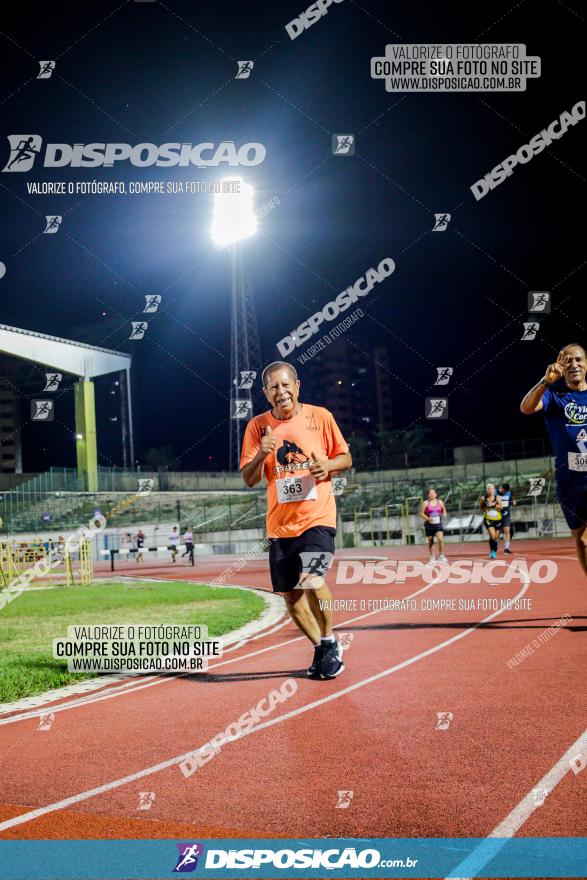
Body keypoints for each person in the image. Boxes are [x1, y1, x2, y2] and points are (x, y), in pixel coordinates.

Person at [240, 361, 352, 680]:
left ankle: (330, 640)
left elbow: (346, 457)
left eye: (286, 385)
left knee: (312, 578)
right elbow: (249, 478)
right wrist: (262, 453)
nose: (281, 391)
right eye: (274, 386)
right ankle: (320, 647)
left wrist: (327, 466)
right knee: (291, 596)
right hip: (280, 525)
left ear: (297, 386)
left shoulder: (320, 417)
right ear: (265, 393)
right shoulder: (257, 427)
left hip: (317, 516)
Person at [521, 344, 587, 579]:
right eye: (568, 361)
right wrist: (545, 381)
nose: (574, 365)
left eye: (578, 360)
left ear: (586, 364)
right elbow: (526, 408)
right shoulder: (554, 396)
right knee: (581, 540)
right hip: (570, 480)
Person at [420, 487, 448, 563]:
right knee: (430, 541)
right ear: (428, 495)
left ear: (436, 494)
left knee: (440, 539)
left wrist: (444, 515)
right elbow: (421, 513)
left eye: (434, 493)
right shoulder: (425, 503)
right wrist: (428, 518)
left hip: (438, 524)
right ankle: (432, 556)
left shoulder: (440, 502)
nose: (432, 494)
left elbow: (444, 511)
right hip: (429, 525)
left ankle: (441, 555)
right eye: (431, 493)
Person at [480, 483, 502, 559]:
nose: (490, 491)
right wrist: (486, 507)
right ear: (487, 490)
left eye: (492, 489)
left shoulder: (497, 497)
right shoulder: (483, 498)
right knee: (492, 536)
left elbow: (500, 507)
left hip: (497, 519)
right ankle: (492, 551)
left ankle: (494, 547)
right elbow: (482, 508)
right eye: (489, 489)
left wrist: (493, 505)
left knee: (496, 537)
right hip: (488, 519)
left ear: (494, 490)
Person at [497, 483, 516, 553]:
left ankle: (506, 548)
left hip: (506, 515)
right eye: (503, 490)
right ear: (501, 488)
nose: (504, 492)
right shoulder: (495, 493)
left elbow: (512, 501)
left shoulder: (509, 493)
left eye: (505, 491)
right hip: (497, 515)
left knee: (507, 530)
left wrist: (513, 502)